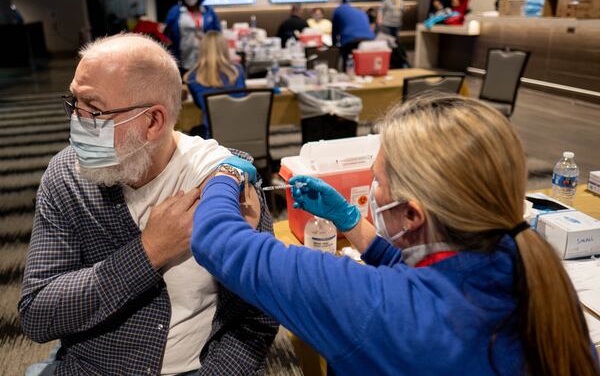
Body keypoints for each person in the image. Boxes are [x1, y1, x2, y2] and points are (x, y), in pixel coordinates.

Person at [190, 94, 600, 375]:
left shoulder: (370, 303)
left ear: (411, 214)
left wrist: (225, 172)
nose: (373, 188)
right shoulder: (527, 262)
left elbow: (217, 239)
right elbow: (430, 282)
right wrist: (353, 223)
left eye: (378, 180)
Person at [19, 33, 278, 375]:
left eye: (94, 111)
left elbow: (258, 316)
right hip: (94, 367)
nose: (76, 123)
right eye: (74, 104)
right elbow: (37, 313)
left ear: (153, 121)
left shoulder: (224, 180)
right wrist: (149, 251)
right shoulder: (67, 176)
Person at [184, 30, 246, 139]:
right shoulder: (238, 71)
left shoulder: (192, 78)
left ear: (202, 50)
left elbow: (200, 105)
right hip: (244, 133)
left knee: (193, 132)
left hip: (215, 142)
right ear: (225, 49)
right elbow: (243, 97)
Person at [165, 0, 221, 73]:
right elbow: (166, 32)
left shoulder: (208, 11)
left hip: (206, 58)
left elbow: (217, 33)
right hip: (183, 59)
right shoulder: (175, 11)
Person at [331, 1, 375, 70]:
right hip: (369, 40)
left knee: (348, 67)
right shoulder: (359, 11)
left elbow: (335, 31)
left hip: (350, 40)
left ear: (340, 4)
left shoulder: (338, 10)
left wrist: (334, 46)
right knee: (365, 67)